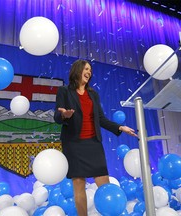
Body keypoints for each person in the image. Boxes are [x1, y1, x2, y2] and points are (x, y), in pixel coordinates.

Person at [54, 59, 138, 215]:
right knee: (78, 184)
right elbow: (57, 117)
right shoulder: (64, 91)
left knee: (104, 185)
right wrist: (64, 115)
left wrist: (120, 127)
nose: (89, 72)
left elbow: (101, 119)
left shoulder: (93, 94)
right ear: (77, 70)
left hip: (93, 143)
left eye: (90, 70)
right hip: (74, 144)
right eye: (86, 69)